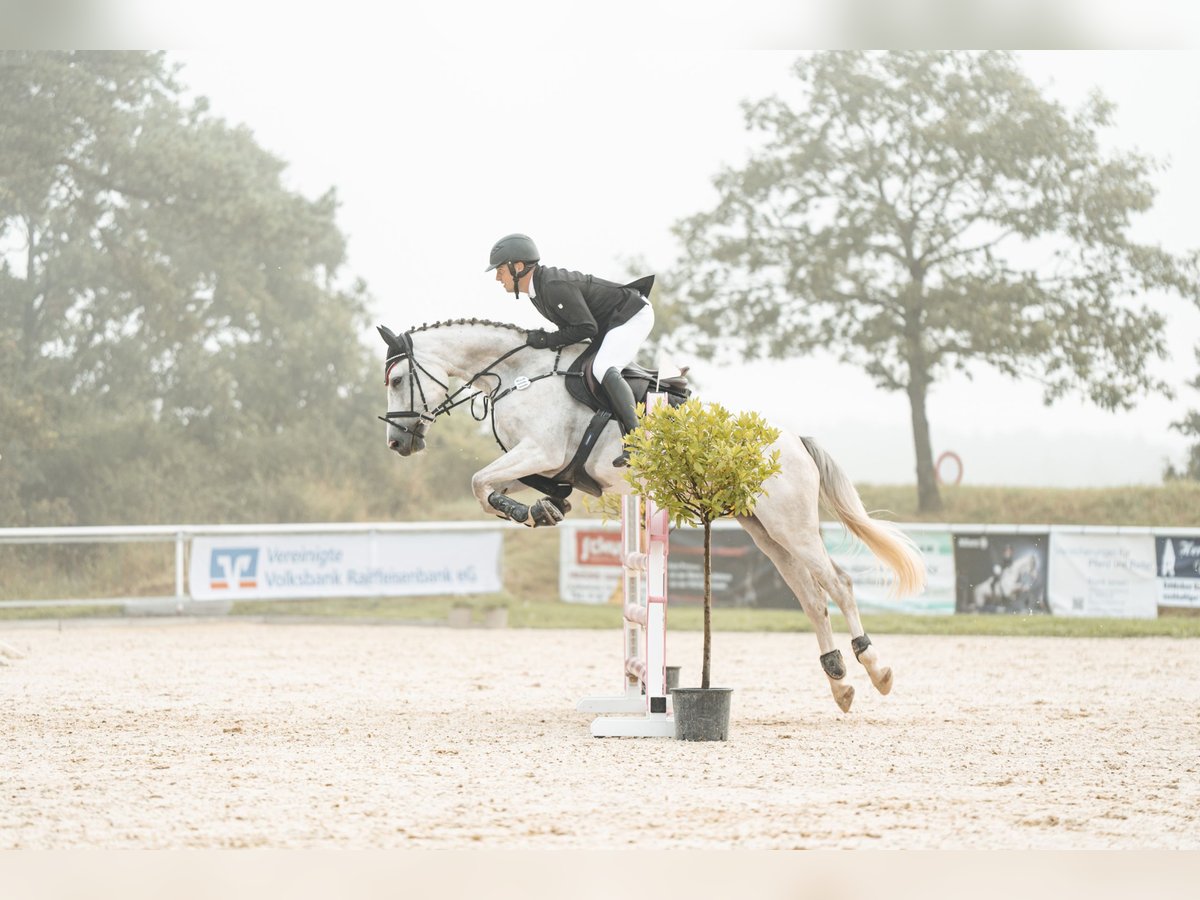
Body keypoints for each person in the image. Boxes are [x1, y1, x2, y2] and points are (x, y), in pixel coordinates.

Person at [485, 233, 655, 467]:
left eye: (500, 270)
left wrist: (546, 339)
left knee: (603, 367)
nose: (497, 277)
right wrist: (547, 340)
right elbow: (573, 327)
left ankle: (637, 441)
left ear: (519, 267)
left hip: (631, 315)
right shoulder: (537, 292)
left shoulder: (553, 286)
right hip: (608, 323)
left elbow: (586, 327)